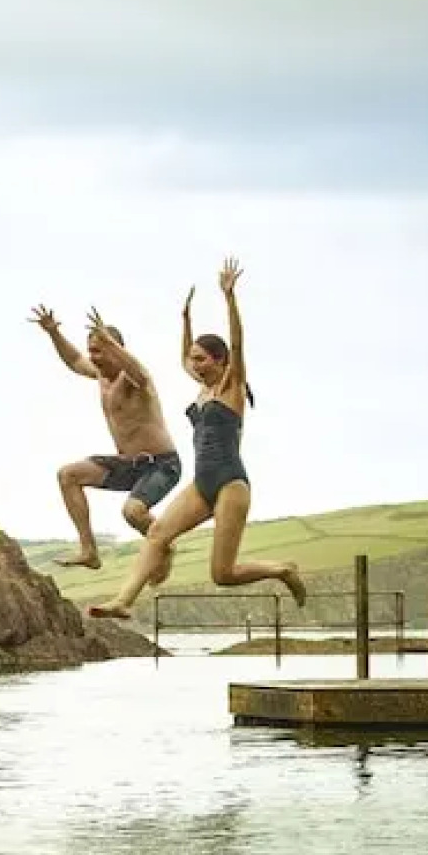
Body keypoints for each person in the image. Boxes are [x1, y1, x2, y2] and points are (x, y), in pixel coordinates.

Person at [88, 256, 306, 619]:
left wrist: (229, 298)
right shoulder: (202, 391)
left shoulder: (231, 387)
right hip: (201, 483)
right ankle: (123, 601)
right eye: (193, 360)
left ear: (220, 361)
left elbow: (237, 344)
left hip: (230, 484)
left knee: (223, 574)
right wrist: (185, 321)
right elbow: (184, 356)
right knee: (157, 533)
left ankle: (282, 569)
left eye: (202, 360)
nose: (195, 365)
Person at [29, 302, 182, 581]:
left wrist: (111, 343)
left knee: (133, 512)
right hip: (127, 463)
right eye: (92, 351)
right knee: (68, 475)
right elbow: (74, 361)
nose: (94, 357)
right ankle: (89, 551)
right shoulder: (100, 376)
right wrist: (53, 333)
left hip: (161, 465)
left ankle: (166, 543)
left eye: (99, 350)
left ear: (116, 349)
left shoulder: (136, 380)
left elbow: (140, 372)